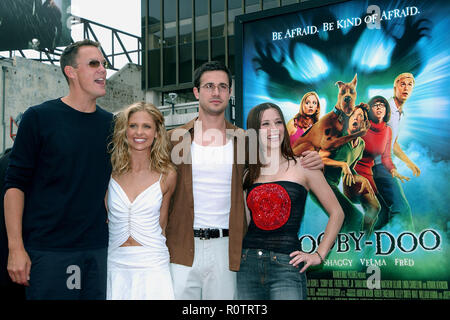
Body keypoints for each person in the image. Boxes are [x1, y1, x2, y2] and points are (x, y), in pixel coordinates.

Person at [166, 60, 323, 300]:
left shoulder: (247, 141)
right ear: (196, 92)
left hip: (228, 249)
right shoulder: (173, 140)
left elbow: (279, 157)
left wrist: (313, 159)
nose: (216, 92)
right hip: (182, 247)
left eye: (222, 86)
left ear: (230, 92)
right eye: (208, 86)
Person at [3, 39, 113, 300]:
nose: (103, 70)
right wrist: (15, 247)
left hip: (99, 251)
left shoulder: (112, 124)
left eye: (104, 64)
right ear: (71, 72)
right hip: (50, 252)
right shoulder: (39, 118)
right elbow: (15, 185)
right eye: (94, 64)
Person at [237, 102, 344, 300]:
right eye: (265, 124)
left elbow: (337, 213)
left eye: (278, 122)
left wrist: (319, 255)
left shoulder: (304, 165)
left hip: (286, 266)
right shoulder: (247, 174)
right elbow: (245, 223)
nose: (273, 129)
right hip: (247, 265)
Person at [105, 102, 176, 300]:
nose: (139, 132)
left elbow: (163, 224)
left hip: (153, 264)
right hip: (115, 263)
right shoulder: (110, 172)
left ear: (157, 133)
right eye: (133, 125)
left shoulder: (167, 175)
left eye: (147, 126)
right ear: (124, 130)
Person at [345, 96, 408, 230]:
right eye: (375, 105)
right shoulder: (362, 126)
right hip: (355, 174)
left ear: (386, 110)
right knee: (376, 210)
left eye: (382, 105)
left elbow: (385, 157)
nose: (379, 107)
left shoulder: (387, 130)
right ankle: (358, 241)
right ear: (370, 110)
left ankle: (372, 244)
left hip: (370, 173)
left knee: (383, 215)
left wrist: (393, 170)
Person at [313, 105, 375, 233]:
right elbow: (320, 158)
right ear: (349, 118)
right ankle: (349, 251)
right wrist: (342, 165)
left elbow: (350, 171)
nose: (356, 118)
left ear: (365, 123)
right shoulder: (339, 136)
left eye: (361, 116)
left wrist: (363, 179)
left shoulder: (361, 145)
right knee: (354, 217)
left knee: (370, 210)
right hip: (319, 184)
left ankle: (359, 248)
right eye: (354, 115)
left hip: (332, 185)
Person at [372, 73, 419, 231]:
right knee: (401, 210)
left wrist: (409, 163)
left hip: (380, 166)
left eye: (410, 84)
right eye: (402, 84)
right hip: (378, 166)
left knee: (383, 214)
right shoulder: (387, 110)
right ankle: (408, 250)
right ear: (395, 87)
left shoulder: (399, 112)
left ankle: (366, 250)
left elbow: (394, 144)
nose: (406, 87)